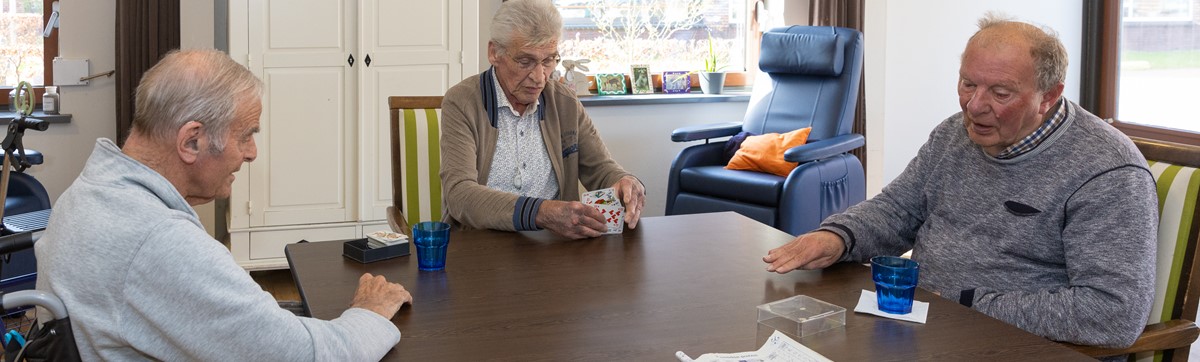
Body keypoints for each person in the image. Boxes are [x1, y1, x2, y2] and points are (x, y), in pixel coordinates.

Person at [762, 14, 1158, 349]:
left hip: (1014, 344)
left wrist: (967, 302)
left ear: (1048, 96)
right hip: (929, 327)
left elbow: (1113, 313)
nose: (974, 105)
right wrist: (839, 236)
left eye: (1000, 92)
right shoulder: (955, 133)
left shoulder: (1108, 172)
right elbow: (899, 209)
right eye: (968, 83)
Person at [35, 49, 413, 361]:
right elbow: (309, 357)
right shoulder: (158, 240)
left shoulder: (90, 190)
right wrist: (369, 311)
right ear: (192, 141)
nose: (252, 153)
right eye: (246, 135)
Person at [440, 0, 645, 239]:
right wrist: (541, 212)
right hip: (480, 249)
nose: (539, 77)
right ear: (494, 53)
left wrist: (625, 182)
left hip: (552, 249)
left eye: (548, 60)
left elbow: (600, 169)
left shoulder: (564, 101)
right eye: (525, 61)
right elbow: (460, 195)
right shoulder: (462, 102)